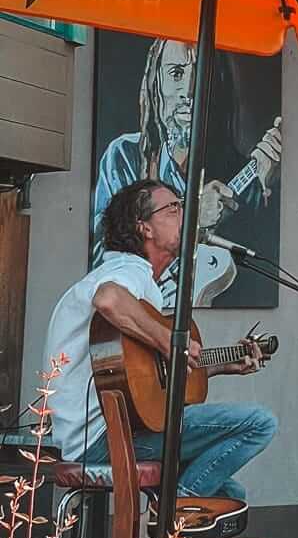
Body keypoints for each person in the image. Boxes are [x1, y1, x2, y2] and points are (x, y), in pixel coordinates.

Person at [45, 179, 277, 503]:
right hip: (104, 440)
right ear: (145, 228)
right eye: (174, 208)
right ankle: (174, 509)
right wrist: (169, 340)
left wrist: (220, 365)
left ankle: (179, 513)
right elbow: (108, 299)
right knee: (259, 423)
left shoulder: (142, 285)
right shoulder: (129, 271)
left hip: (114, 433)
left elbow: (146, 381)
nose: (185, 214)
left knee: (229, 496)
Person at [91, 39, 282, 257]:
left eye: (201, 74)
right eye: (176, 73)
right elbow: (104, 255)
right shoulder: (124, 156)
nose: (189, 91)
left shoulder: (239, 173)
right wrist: (191, 220)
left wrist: (261, 188)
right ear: (156, 85)